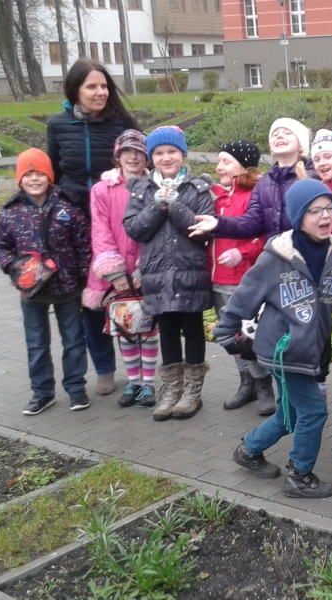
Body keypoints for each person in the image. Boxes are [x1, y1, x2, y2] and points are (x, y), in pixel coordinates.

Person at [213, 179, 332, 499]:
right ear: (299, 217)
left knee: (291, 414)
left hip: (312, 349)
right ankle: (299, 476)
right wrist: (225, 333)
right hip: (283, 350)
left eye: (329, 209)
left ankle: (249, 450)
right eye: (315, 211)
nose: (325, 216)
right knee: (313, 411)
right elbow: (244, 297)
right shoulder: (276, 257)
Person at [47, 58, 139, 397]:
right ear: (75, 90)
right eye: (92, 87)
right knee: (90, 297)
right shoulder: (58, 124)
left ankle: (137, 366)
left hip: (116, 219)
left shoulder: (121, 123)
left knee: (124, 290)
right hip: (75, 223)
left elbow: (139, 163)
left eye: (104, 86)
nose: (100, 92)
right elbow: (53, 173)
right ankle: (103, 367)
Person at [0, 149, 91, 415]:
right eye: (28, 174)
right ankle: (42, 392)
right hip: (31, 291)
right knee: (36, 343)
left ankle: (76, 388)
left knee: (74, 341)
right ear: (19, 179)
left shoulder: (68, 207)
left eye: (40, 174)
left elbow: (84, 244)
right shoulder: (10, 212)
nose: (34, 179)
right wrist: (14, 267)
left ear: (50, 177)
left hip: (68, 288)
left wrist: (83, 278)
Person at [123, 126, 214, 422]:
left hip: (190, 273)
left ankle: (192, 392)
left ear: (183, 154)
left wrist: (174, 206)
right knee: (168, 330)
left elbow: (203, 231)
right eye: (159, 153)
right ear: (151, 158)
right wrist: (157, 206)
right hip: (157, 274)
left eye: (172, 151)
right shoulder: (141, 190)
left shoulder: (198, 189)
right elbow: (134, 229)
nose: (166, 158)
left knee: (193, 328)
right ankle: (172, 390)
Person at [193, 140, 275, 416]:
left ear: (244, 166)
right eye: (218, 161)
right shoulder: (216, 197)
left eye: (226, 162)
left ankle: (264, 385)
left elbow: (263, 237)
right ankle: (246, 383)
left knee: (248, 335)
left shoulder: (254, 196)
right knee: (230, 335)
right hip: (218, 279)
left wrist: (242, 252)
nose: (219, 167)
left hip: (244, 281)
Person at [82, 129, 158, 410]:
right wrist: (115, 272)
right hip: (117, 276)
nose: (133, 157)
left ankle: (148, 384)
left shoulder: (155, 188)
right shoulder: (102, 190)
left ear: (147, 158)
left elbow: (158, 231)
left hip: (145, 271)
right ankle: (133, 382)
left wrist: (144, 269)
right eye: (127, 152)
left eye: (139, 152)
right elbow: (101, 231)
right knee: (125, 327)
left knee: (147, 329)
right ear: (118, 156)